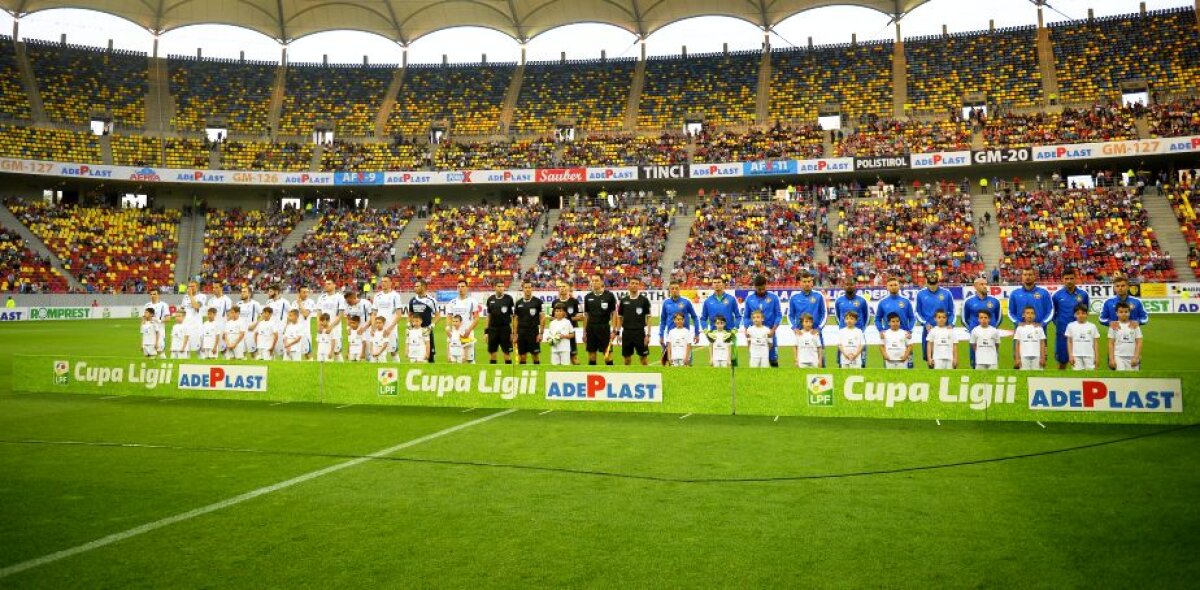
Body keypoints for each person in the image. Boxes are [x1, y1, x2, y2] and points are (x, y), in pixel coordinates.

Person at [1051, 269, 1090, 369]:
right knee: (1062, 362)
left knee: (1081, 362)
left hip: (1080, 334)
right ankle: (1061, 383)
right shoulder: (1056, 295)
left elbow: (1086, 311)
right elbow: (1052, 313)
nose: (1069, 281)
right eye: (1066, 278)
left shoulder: (1083, 295)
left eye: (1071, 278)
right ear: (1062, 279)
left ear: (1075, 279)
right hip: (1062, 332)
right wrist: (1058, 323)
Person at [788, 271, 827, 368]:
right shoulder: (794, 297)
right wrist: (794, 328)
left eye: (809, 281)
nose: (807, 284)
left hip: (815, 333)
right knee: (800, 363)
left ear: (812, 282)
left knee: (820, 363)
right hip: (800, 335)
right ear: (800, 283)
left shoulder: (819, 296)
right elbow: (790, 315)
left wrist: (818, 329)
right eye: (804, 281)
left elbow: (824, 314)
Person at [743, 275, 782, 367]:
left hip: (769, 333)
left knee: (773, 359)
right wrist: (746, 329)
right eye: (759, 289)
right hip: (755, 334)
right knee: (755, 360)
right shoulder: (749, 299)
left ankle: (774, 380)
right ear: (755, 287)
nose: (762, 291)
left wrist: (773, 330)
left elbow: (778, 315)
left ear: (766, 285)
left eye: (764, 288)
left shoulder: (774, 298)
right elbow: (746, 317)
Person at [961, 277, 1002, 368]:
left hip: (991, 336)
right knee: (975, 362)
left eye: (986, 284)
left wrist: (992, 329)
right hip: (976, 337)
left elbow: (999, 318)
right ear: (975, 286)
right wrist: (972, 330)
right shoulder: (968, 301)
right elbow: (964, 319)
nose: (985, 286)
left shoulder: (995, 301)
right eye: (982, 284)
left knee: (993, 362)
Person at [874, 277, 915, 366]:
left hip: (904, 337)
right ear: (887, 287)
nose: (893, 287)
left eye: (895, 285)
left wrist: (909, 330)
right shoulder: (883, 302)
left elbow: (912, 318)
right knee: (889, 363)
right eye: (891, 285)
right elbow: (877, 319)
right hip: (889, 338)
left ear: (899, 286)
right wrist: (881, 330)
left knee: (909, 365)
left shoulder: (906, 302)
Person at [915, 273, 955, 363]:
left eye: (934, 283)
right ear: (926, 281)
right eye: (930, 283)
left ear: (938, 282)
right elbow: (917, 312)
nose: (932, 286)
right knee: (929, 358)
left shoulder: (947, 293)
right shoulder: (920, 294)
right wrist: (925, 324)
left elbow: (952, 311)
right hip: (928, 329)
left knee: (946, 355)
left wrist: (951, 324)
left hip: (944, 329)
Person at [658, 281, 699, 366]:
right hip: (671, 336)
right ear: (669, 290)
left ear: (679, 289)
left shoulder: (686, 302)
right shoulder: (666, 303)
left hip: (684, 336)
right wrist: (661, 335)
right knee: (671, 361)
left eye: (676, 288)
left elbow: (694, 317)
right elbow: (663, 320)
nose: (674, 290)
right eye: (672, 288)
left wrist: (697, 333)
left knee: (687, 362)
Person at [581, 273, 618, 365]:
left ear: (602, 281)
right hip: (591, 329)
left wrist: (614, 330)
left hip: (604, 328)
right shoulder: (588, 297)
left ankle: (611, 377)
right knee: (592, 356)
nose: (594, 283)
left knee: (607, 356)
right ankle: (592, 376)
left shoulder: (609, 296)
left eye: (596, 280)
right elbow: (586, 315)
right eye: (592, 281)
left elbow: (614, 313)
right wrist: (584, 332)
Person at [833, 277, 870, 367]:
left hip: (858, 334)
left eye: (852, 284)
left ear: (855, 286)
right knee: (843, 362)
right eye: (847, 284)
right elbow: (838, 316)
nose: (849, 286)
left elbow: (867, 317)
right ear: (844, 286)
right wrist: (843, 328)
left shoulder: (862, 300)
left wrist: (861, 330)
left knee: (861, 362)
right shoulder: (839, 301)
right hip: (844, 334)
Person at [616, 277, 652, 366]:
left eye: (636, 283)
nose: (634, 285)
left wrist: (648, 335)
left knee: (643, 359)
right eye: (632, 283)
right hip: (626, 333)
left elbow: (649, 317)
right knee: (627, 359)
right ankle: (628, 377)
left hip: (640, 333)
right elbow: (620, 318)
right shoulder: (623, 301)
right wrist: (618, 333)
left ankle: (646, 378)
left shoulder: (644, 300)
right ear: (628, 285)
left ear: (639, 286)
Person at [445, 279, 482, 364]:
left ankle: (471, 376)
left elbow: (476, 318)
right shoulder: (452, 302)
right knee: (453, 358)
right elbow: (449, 317)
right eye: (458, 287)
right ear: (457, 288)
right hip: (455, 334)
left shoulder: (472, 302)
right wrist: (448, 328)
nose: (460, 288)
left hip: (467, 333)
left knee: (470, 359)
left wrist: (469, 330)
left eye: (462, 286)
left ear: (467, 288)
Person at [370, 277, 404, 362]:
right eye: (382, 281)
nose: (383, 283)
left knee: (393, 351)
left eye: (385, 281)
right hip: (379, 328)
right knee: (377, 350)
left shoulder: (395, 296)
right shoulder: (377, 296)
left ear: (390, 283)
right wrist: (373, 327)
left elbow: (399, 314)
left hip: (391, 329)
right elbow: (373, 313)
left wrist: (390, 328)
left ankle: (398, 370)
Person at [512, 281, 545, 365]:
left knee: (535, 355)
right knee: (522, 356)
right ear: (522, 289)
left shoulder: (538, 302)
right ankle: (523, 375)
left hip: (533, 332)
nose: (527, 289)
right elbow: (515, 319)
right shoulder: (518, 303)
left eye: (529, 287)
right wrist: (515, 334)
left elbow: (542, 318)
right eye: (526, 287)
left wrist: (541, 333)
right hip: (521, 332)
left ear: (532, 288)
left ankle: (537, 374)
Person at [407, 279, 440, 362]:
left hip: (426, 330)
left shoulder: (431, 300)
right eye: (414, 286)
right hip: (415, 331)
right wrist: (409, 323)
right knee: (415, 353)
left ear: (424, 287)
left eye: (417, 286)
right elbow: (410, 314)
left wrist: (431, 326)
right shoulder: (412, 300)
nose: (415, 288)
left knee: (429, 355)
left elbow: (438, 315)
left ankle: (430, 372)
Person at [318, 280, 348, 362]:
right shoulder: (321, 297)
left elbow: (340, 315)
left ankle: (340, 369)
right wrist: (319, 325)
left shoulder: (340, 297)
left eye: (329, 284)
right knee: (324, 349)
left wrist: (331, 326)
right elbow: (319, 313)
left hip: (335, 328)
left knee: (337, 351)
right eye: (325, 284)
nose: (326, 285)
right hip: (323, 327)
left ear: (334, 285)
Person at [485, 282, 515, 364]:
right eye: (499, 286)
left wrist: (513, 332)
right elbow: (488, 316)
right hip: (492, 329)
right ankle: (494, 372)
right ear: (494, 287)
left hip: (505, 329)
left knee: (506, 352)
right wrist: (486, 332)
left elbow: (513, 316)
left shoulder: (509, 299)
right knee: (492, 353)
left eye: (502, 286)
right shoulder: (490, 299)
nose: (501, 288)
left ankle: (508, 374)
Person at [1107, 302, 1143, 371]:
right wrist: (1111, 359)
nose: (1124, 314)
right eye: (1121, 312)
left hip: (1132, 356)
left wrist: (1136, 357)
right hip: (1118, 356)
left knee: (1133, 379)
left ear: (1129, 313)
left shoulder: (1135, 326)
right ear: (1116, 313)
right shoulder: (1113, 326)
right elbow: (1111, 343)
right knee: (1120, 377)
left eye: (1126, 312)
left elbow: (1139, 342)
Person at [551, 282, 580, 364]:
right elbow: (551, 317)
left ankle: (577, 374)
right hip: (557, 334)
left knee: (573, 357)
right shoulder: (554, 302)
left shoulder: (574, 301)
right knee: (558, 358)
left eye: (564, 286)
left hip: (569, 333)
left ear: (568, 288)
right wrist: (559, 318)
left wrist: (566, 319)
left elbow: (581, 317)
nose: (562, 288)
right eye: (560, 287)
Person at [1064, 304, 1100, 370]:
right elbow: (1069, 342)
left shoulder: (1092, 326)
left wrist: (1097, 357)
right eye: (1078, 313)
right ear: (1074, 315)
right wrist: (1070, 356)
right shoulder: (1070, 326)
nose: (1080, 315)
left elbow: (1095, 343)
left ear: (1087, 314)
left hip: (1089, 355)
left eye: (1083, 313)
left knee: (1090, 375)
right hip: (1076, 355)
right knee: (1077, 375)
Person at [182, 281, 207, 356]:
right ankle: (185, 365)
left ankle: (202, 364)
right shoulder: (185, 297)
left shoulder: (202, 296)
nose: (190, 288)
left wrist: (191, 296)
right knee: (186, 347)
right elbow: (183, 309)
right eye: (189, 286)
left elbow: (196, 306)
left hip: (197, 326)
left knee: (200, 349)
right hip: (186, 325)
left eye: (192, 286)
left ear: (197, 287)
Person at [264, 284, 290, 356]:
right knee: (269, 351)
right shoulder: (268, 302)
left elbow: (290, 315)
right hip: (269, 331)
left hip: (280, 331)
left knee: (281, 353)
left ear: (276, 292)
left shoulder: (285, 302)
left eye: (270, 291)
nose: (268, 293)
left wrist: (286, 327)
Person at [144, 290, 170, 357]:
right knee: (149, 353)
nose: (152, 295)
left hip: (160, 330)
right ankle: (152, 367)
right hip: (149, 332)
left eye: (154, 294)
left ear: (158, 295)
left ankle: (164, 366)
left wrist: (159, 321)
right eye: (151, 294)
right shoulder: (147, 305)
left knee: (160, 351)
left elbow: (168, 318)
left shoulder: (163, 305)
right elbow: (144, 318)